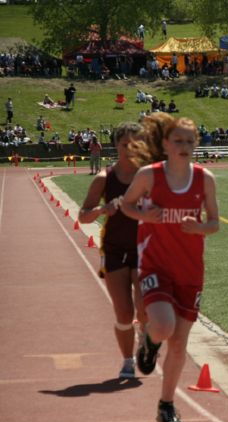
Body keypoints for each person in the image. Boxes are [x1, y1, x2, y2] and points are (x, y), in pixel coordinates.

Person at [120, 113, 220, 422]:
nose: (184, 146)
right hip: (155, 264)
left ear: (197, 144)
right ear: (165, 144)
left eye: (190, 141)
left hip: (190, 270)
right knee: (163, 326)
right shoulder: (150, 176)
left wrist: (199, 227)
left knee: (179, 343)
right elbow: (126, 205)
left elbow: (215, 223)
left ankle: (166, 404)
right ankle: (149, 343)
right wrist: (145, 217)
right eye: (178, 140)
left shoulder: (205, 179)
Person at [78, 122, 148, 379]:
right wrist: (101, 211)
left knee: (144, 309)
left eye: (136, 144)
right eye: (124, 144)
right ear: (115, 145)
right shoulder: (104, 178)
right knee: (124, 312)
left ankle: (145, 340)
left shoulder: (150, 176)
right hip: (115, 249)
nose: (130, 149)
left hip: (144, 248)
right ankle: (128, 360)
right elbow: (83, 216)